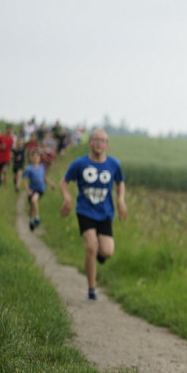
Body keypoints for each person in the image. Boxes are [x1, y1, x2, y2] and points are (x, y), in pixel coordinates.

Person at [59, 129, 128, 301]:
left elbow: (120, 182)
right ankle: (91, 289)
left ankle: (98, 253)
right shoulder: (80, 163)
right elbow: (64, 181)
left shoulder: (114, 164)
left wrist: (121, 200)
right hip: (85, 211)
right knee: (90, 246)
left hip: (105, 213)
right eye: (96, 140)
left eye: (103, 140)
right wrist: (67, 198)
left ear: (107, 145)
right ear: (89, 143)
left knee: (108, 251)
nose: (99, 143)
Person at [22, 150, 53, 231]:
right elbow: (24, 180)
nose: (36, 158)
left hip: (40, 189)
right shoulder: (29, 169)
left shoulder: (42, 167)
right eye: (34, 157)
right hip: (32, 190)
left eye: (37, 157)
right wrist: (27, 189)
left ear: (39, 158)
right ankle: (31, 221)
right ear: (31, 158)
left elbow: (44, 178)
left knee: (34, 200)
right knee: (31, 208)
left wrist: (50, 184)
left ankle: (37, 218)